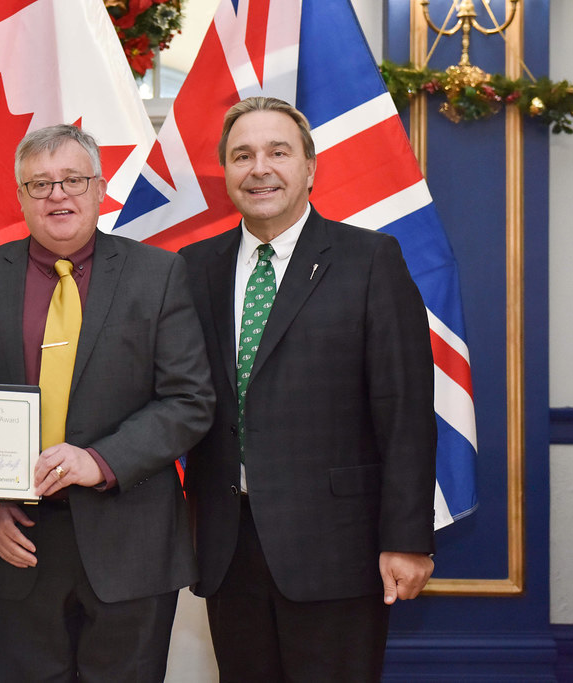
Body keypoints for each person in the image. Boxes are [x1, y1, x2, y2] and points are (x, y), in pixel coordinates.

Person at [178, 96, 437, 682]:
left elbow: (405, 411)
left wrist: (407, 539)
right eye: (242, 155)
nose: (259, 168)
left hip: (339, 551)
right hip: (227, 548)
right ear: (226, 173)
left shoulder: (369, 259)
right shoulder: (193, 268)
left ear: (311, 167)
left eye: (278, 152)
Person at [0, 124, 215, 683]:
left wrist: (100, 461)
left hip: (131, 543)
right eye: (40, 184)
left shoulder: (160, 274)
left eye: (73, 180)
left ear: (100, 190)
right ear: (19, 197)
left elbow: (189, 400)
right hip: (14, 544)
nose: (58, 195)